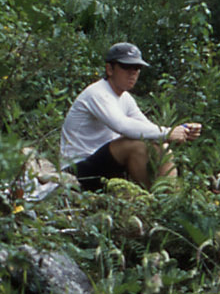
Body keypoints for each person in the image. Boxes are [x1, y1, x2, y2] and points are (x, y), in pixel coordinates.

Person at [60, 42, 203, 192]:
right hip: (77, 170)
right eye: (126, 67)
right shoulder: (98, 93)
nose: (132, 73)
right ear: (110, 69)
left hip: (104, 165)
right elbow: (123, 126)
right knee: (136, 145)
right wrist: (167, 132)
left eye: (137, 68)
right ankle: (151, 199)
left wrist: (182, 131)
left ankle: (169, 199)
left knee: (161, 147)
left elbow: (147, 128)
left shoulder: (125, 98)